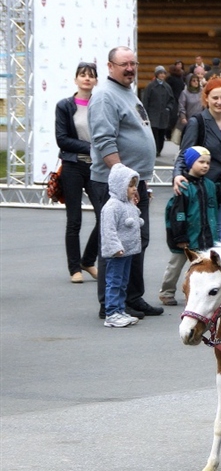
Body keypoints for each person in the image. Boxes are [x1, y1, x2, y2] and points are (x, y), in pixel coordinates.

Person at [88, 46, 163, 320]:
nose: (130, 68)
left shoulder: (128, 92)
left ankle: (132, 297)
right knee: (115, 242)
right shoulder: (105, 96)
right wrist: (124, 183)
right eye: (124, 64)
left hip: (135, 182)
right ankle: (110, 303)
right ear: (110, 66)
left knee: (137, 240)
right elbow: (104, 140)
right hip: (117, 184)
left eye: (133, 63)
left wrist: (139, 181)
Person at [174, 77, 221, 241]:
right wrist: (177, 174)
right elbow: (184, 153)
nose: (220, 102)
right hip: (208, 185)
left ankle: (218, 264)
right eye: (215, 98)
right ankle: (216, 265)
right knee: (218, 230)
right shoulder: (197, 122)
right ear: (206, 98)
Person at [55, 61, 100, 283]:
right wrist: (91, 148)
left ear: (96, 81)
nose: (87, 78)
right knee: (74, 220)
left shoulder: (100, 104)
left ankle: (88, 260)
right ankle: (74, 268)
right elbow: (62, 139)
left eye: (91, 75)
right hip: (72, 166)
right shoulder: (65, 106)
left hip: (96, 167)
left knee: (105, 215)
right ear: (76, 79)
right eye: (82, 74)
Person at [159, 146, 219, 306]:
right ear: (190, 163)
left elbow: (213, 210)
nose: (205, 165)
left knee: (203, 269)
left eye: (208, 163)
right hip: (185, 238)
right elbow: (178, 214)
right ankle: (166, 292)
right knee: (175, 266)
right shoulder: (184, 186)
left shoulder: (210, 185)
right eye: (201, 162)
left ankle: (198, 294)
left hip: (205, 237)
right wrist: (180, 237)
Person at [99, 164, 142, 328]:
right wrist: (115, 247)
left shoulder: (127, 204)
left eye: (134, 185)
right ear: (119, 185)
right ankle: (111, 313)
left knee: (123, 282)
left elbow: (132, 221)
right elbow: (108, 230)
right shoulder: (112, 206)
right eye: (130, 186)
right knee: (114, 282)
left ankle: (120, 309)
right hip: (117, 253)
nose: (133, 189)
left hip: (127, 251)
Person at [142, 65, 176, 156]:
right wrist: (145, 114)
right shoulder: (151, 86)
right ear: (156, 75)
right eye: (160, 73)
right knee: (154, 133)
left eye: (163, 73)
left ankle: (159, 149)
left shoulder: (167, 87)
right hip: (153, 114)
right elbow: (146, 100)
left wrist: (168, 108)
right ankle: (155, 150)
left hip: (164, 115)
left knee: (162, 134)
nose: (162, 75)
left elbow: (171, 100)